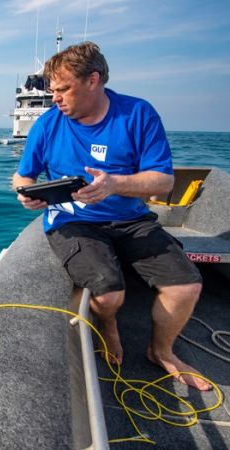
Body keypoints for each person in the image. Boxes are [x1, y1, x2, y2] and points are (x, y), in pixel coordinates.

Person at [12, 41, 211, 391]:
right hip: (73, 221)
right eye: (52, 91)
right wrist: (25, 192)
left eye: (63, 89)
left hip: (132, 219)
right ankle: (110, 326)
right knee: (108, 295)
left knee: (186, 287)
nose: (55, 98)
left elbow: (163, 180)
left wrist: (114, 184)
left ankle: (160, 351)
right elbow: (23, 175)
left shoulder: (137, 114)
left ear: (93, 80)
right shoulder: (48, 124)